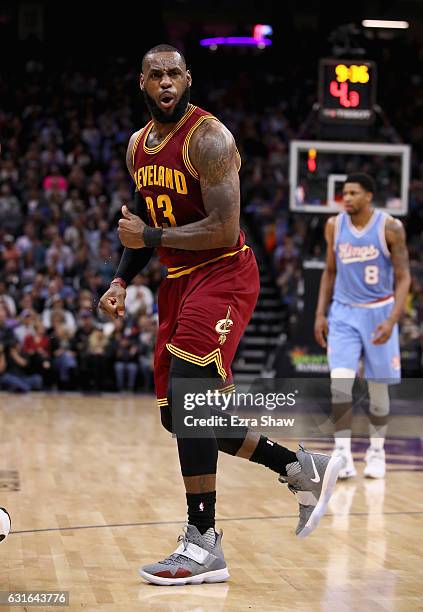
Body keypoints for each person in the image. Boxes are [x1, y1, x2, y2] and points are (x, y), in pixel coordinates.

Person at [99, 44, 342, 586]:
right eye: (155, 74)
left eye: (173, 74)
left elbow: (225, 228)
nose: (165, 82)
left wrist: (152, 237)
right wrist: (119, 279)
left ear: (188, 79)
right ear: (141, 82)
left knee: (190, 398)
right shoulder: (139, 145)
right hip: (179, 283)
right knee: (180, 417)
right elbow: (141, 223)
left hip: (224, 274)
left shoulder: (210, 138)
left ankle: (203, 541)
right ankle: (298, 468)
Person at [314, 173, 411, 480]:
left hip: (378, 313)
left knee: (378, 389)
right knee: (339, 382)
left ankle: (377, 452)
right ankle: (342, 454)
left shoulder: (390, 227)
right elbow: (329, 272)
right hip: (343, 313)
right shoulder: (333, 226)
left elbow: (404, 277)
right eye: (344, 193)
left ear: (369, 196)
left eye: (354, 192)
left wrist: (393, 319)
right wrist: (320, 314)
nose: (347, 198)